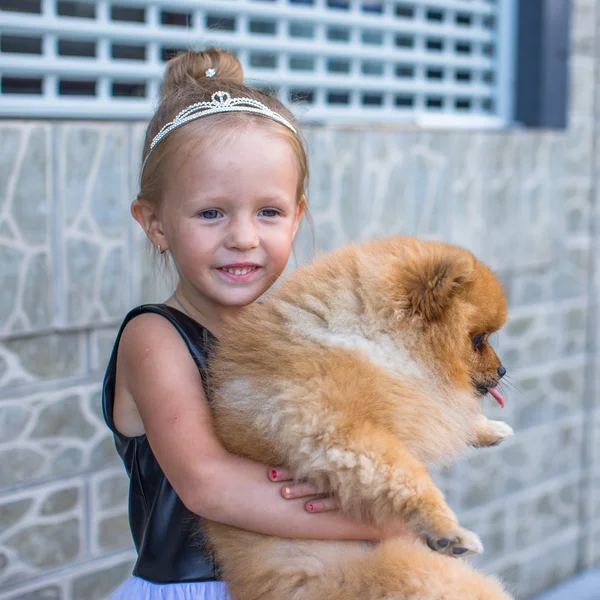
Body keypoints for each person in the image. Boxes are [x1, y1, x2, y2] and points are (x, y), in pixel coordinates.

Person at [103, 47, 407, 600]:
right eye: (211, 212)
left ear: (297, 215)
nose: (243, 236)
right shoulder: (155, 338)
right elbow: (208, 485)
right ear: (155, 223)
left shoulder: (291, 334)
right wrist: (380, 519)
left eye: (267, 212)